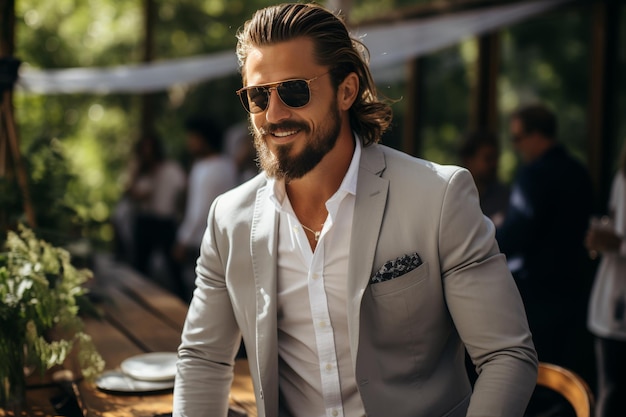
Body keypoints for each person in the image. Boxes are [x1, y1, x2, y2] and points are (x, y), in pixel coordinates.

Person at [173, 4, 537, 417]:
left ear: (346, 91)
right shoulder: (229, 219)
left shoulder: (437, 197)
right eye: (258, 96)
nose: (273, 115)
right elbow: (204, 358)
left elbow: (506, 355)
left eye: (294, 90)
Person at [496, 104, 594, 375]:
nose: (516, 146)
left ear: (536, 135)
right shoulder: (578, 171)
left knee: (535, 376)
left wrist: (484, 244)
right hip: (575, 291)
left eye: (517, 138)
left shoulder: (535, 175)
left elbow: (516, 232)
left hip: (537, 293)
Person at [173, 116, 238, 301]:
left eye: (192, 138)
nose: (189, 143)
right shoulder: (226, 164)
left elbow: (199, 210)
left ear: (204, 139)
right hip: (224, 240)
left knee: (200, 295)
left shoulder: (210, 168)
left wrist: (183, 240)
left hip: (202, 242)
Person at [585, 142, 626, 417]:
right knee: (610, 391)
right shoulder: (622, 177)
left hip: (616, 306)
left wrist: (616, 242)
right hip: (612, 301)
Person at [123, 133, 186, 296]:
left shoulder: (171, 169)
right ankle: (136, 296)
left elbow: (183, 191)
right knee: (139, 264)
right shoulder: (141, 172)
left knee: (174, 267)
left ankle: (182, 298)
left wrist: (181, 215)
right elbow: (131, 193)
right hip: (145, 220)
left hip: (165, 221)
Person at [458, 130, 510, 227]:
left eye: (495, 158)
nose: (494, 164)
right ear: (468, 160)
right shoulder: (454, 195)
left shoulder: (503, 196)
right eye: (488, 158)